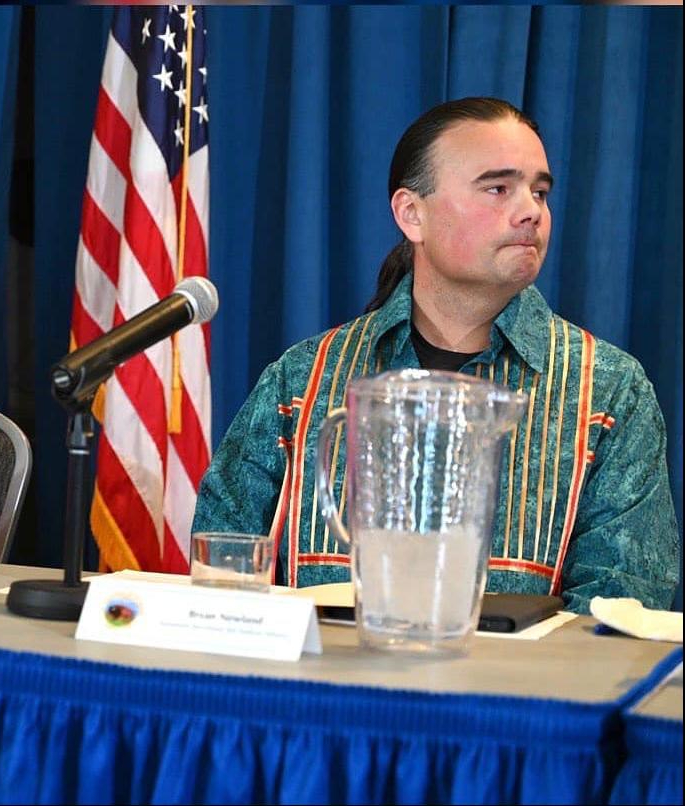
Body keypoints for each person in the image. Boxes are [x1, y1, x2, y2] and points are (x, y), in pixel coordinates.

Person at [193, 97, 679, 613]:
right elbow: (225, 581)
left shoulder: (608, 390)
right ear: (411, 214)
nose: (531, 211)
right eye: (498, 189)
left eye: (539, 192)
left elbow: (618, 615)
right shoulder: (300, 379)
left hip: (512, 694)